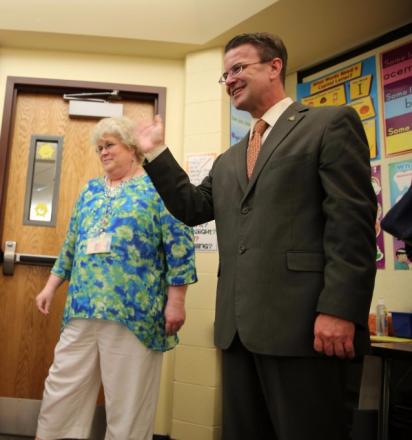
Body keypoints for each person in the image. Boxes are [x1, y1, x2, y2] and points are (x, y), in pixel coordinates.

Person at [136, 32, 377, 440]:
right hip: (237, 330)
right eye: (224, 74)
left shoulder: (328, 124)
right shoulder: (230, 158)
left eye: (238, 68)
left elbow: (350, 223)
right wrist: (156, 152)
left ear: (274, 66)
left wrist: (340, 308)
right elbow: (193, 208)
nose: (229, 79)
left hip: (305, 328)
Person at [34, 116, 197, 440]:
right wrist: (51, 285)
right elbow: (72, 243)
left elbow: (180, 246)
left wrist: (176, 302)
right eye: (99, 148)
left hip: (134, 313)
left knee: (129, 400)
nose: (103, 152)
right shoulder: (91, 191)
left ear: (132, 147)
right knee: (62, 389)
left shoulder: (157, 188)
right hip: (83, 307)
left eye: (109, 145)